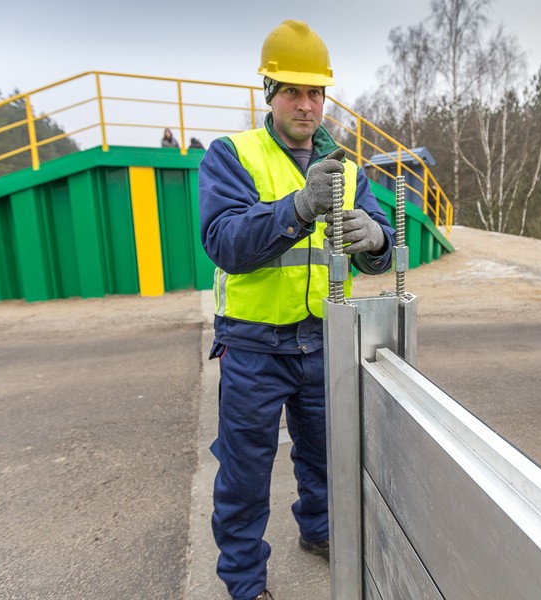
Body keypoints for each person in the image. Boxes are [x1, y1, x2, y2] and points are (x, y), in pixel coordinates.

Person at [198, 19, 394, 600]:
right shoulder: (232, 155)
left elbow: (378, 255)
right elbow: (226, 243)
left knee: (328, 457)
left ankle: (319, 531)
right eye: (292, 91)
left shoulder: (347, 169)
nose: (306, 105)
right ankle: (243, 583)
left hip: (322, 340)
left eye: (315, 92)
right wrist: (299, 207)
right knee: (244, 473)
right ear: (269, 93)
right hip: (254, 345)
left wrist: (377, 240)